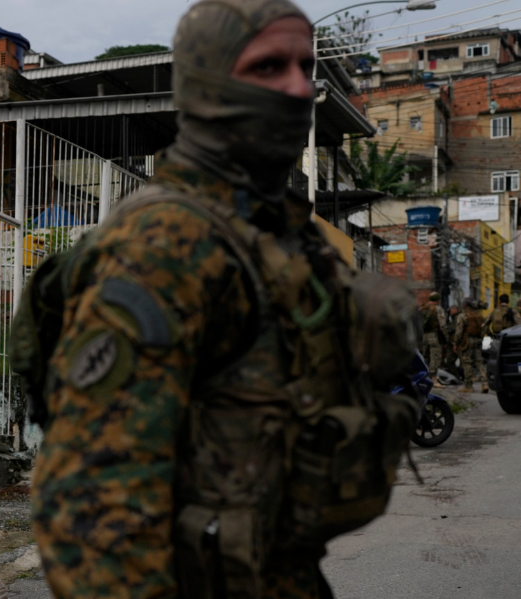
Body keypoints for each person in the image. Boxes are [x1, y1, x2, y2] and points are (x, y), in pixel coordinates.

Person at [25, 2, 417, 599]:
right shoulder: (164, 245)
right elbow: (90, 512)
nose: (298, 87)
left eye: (305, 66)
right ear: (206, 85)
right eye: (268, 66)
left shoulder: (278, 234)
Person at [454, 297, 488, 393]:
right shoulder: (479, 315)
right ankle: (485, 384)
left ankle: (468, 386)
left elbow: (459, 331)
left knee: (467, 363)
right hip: (477, 341)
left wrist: (456, 343)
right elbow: (484, 329)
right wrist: (480, 339)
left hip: (467, 342)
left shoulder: (463, 316)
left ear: (465, 306)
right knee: (479, 362)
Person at [418, 292, 448, 377]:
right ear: (438, 300)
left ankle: (424, 377)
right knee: (435, 357)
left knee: (425, 357)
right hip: (434, 336)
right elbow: (443, 325)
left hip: (423, 337)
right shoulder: (438, 309)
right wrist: (447, 338)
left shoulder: (422, 309)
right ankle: (433, 378)